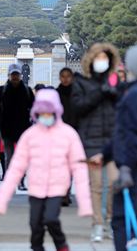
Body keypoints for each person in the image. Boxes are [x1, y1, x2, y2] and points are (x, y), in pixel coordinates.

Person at [0, 89, 93, 251]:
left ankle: (61, 245)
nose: (46, 115)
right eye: (42, 111)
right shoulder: (30, 135)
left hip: (57, 187)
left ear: (56, 110)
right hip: (36, 187)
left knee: (51, 219)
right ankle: (37, 247)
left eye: (49, 111)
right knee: (35, 223)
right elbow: (16, 168)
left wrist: (85, 202)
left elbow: (79, 168)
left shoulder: (68, 134)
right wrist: (2, 199)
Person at [96, 44, 137, 251]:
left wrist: (124, 167)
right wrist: (106, 155)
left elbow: (129, 133)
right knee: (131, 211)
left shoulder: (134, 96)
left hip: (132, 163)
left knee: (122, 217)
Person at [71, 43, 121, 242]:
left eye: (105, 58)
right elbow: (78, 108)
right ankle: (97, 223)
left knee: (114, 182)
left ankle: (110, 220)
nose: (102, 61)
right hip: (91, 140)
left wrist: (114, 93)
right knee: (97, 185)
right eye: (98, 57)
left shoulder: (115, 83)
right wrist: (99, 93)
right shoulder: (81, 83)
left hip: (112, 140)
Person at [0, 63, 34, 190]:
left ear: (20, 75)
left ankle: (21, 181)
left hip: (23, 129)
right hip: (7, 129)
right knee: (9, 157)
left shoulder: (26, 91)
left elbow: (35, 108)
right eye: (13, 75)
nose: (15, 77)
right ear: (9, 76)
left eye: (17, 74)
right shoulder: (2, 90)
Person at [57, 67, 77, 206]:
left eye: (68, 76)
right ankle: (62, 193)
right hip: (59, 133)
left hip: (75, 132)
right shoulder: (55, 94)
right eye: (63, 76)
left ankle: (66, 191)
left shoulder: (78, 94)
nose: (65, 79)